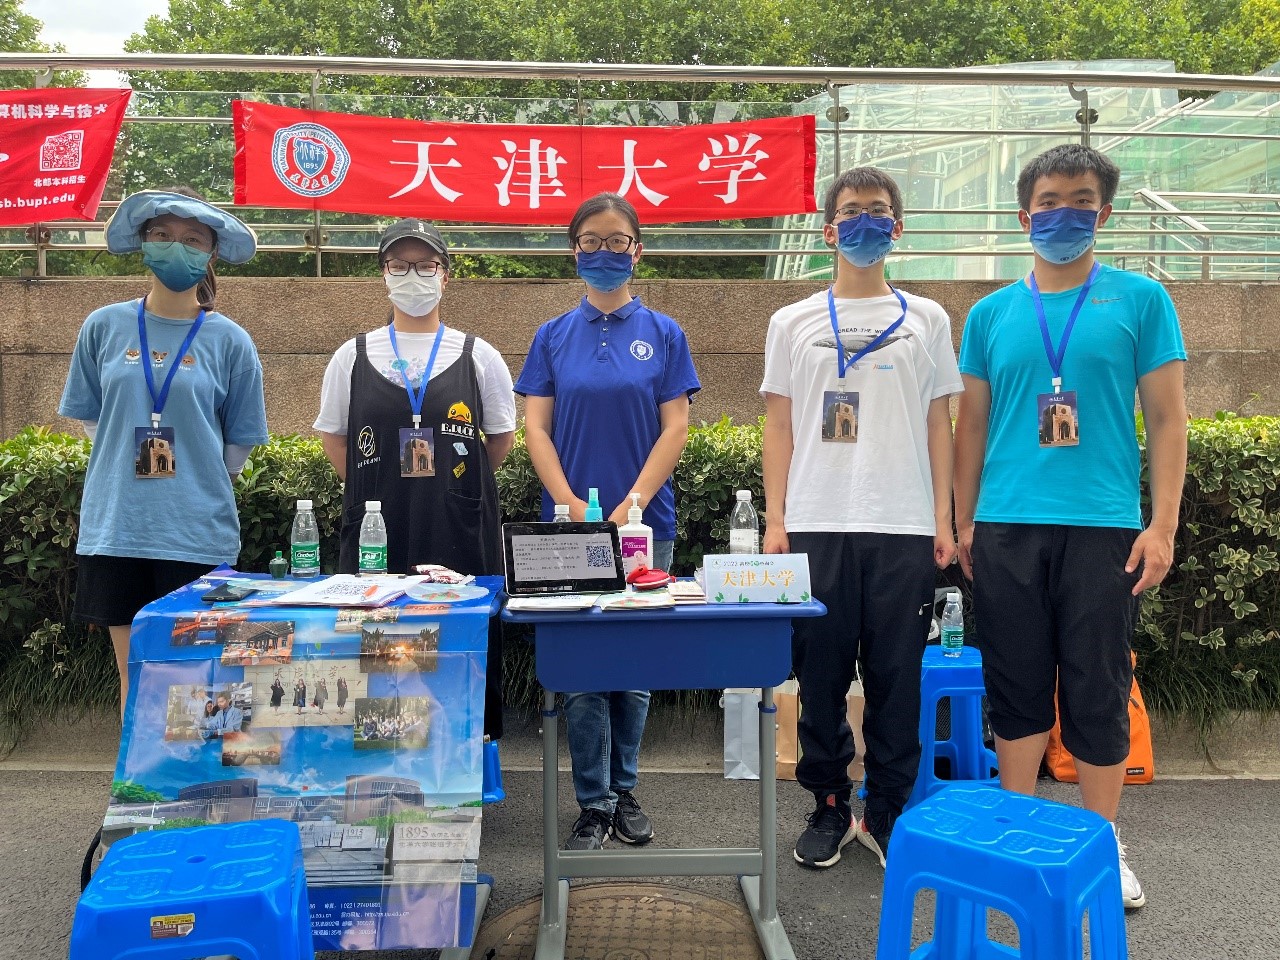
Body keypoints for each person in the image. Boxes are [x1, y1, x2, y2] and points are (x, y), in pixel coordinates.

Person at [954, 144, 1187, 910]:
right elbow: (971, 427)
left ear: (1104, 212)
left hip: (1103, 529)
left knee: (1098, 685)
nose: (1064, 214)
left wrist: (1162, 525)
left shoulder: (1141, 300)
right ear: (1025, 216)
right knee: (1015, 683)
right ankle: (1016, 828)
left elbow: (1168, 418)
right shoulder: (990, 314)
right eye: (1049, 202)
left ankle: (1099, 843)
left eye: (1080, 201)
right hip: (1006, 527)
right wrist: (962, 521)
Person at [761, 168, 963, 869]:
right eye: (851, 211)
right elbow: (779, 425)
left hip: (902, 524)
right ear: (828, 230)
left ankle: (887, 808)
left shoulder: (928, 318)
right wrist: (777, 519)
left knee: (896, 676)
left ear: (898, 228)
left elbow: (938, 424)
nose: (864, 222)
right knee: (819, 675)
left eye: (878, 211)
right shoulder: (791, 321)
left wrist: (943, 519)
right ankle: (827, 803)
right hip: (817, 521)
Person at [514, 192, 701, 851]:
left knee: (634, 667)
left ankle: (625, 790)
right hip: (567, 533)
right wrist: (569, 504)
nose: (603, 251)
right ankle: (592, 802)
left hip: (647, 527)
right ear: (574, 252)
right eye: (589, 241)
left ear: (636, 250)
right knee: (585, 673)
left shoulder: (665, 334)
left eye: (616, 240)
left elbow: (675, 427)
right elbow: (535, 427)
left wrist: (631, 505)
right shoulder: (551, 336)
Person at [59, 189, 267, 720]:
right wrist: (122, 469)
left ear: (211, 253)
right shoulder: (103, 326)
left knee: (197, 678)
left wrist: (196, 481)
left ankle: (194, 775)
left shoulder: (232, 341)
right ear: (143, 243)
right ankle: (134, 773)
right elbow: (92, 419)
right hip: (117, 528)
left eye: (193, 239)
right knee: (134, 673)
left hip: (196, 531)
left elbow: (239, 440)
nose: (177, 247)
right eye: (162, 235)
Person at [315, 218, 515, 740]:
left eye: (426, 266)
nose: (413, 276)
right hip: (378, 532)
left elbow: (500, 439)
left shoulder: (478, 355)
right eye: (399, 265)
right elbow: (334, 437)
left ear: (446, 275)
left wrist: (454, 486)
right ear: (383, 274)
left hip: (458, 529)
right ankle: (381, 757)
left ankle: (467, 757)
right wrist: (372, 492)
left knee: (460, 647)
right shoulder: (353, 355)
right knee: (376, 650)